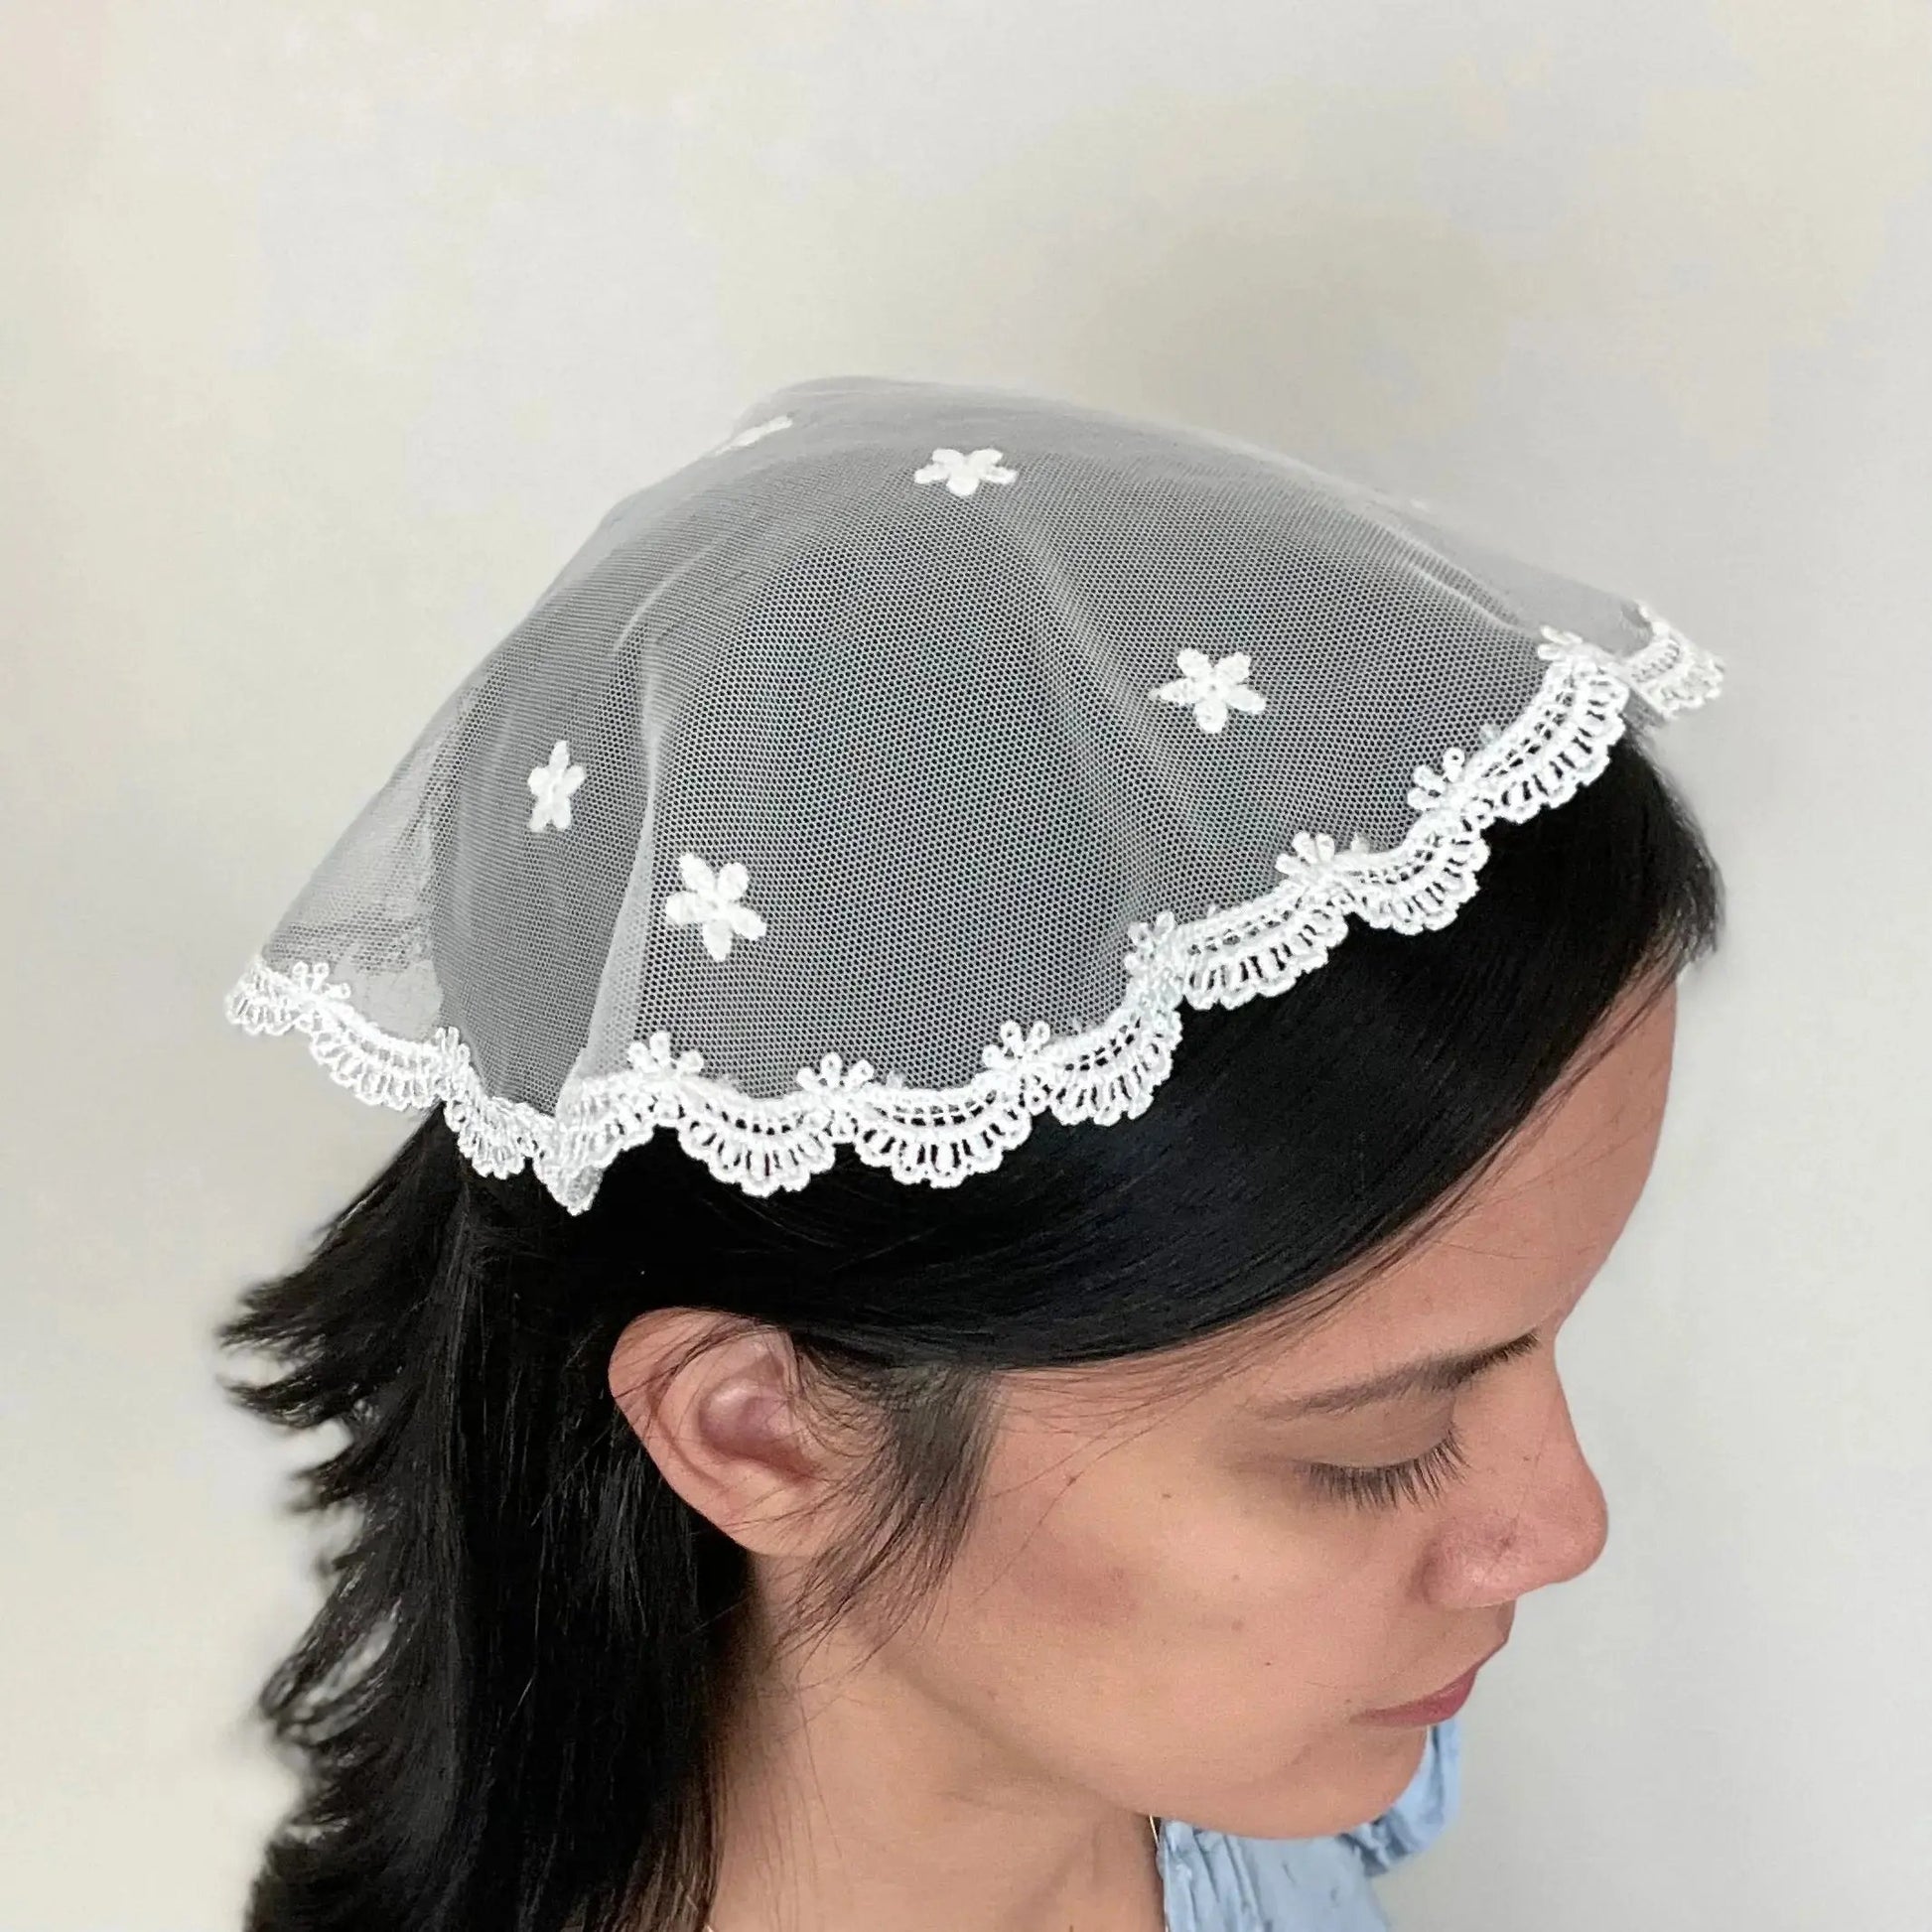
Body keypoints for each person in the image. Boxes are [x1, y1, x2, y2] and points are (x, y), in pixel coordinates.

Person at [215, 375, 1725, 1932]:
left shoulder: (1286, 1799)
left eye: (1549, 1331)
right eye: (1374, 1440)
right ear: (760, 1431)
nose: (1562, 1524)